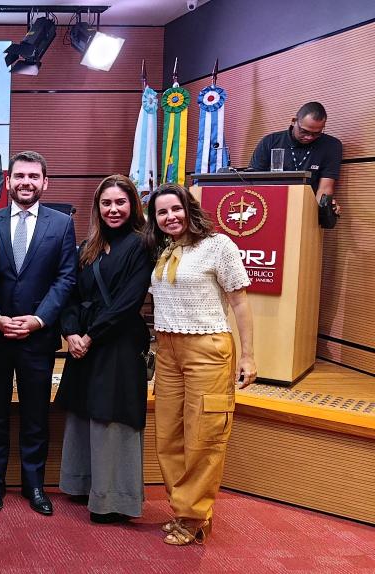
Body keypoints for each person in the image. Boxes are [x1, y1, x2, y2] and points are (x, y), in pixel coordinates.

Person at [146, 183, 257, 545]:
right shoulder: (164, 250)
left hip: (207, 350)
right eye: (162, 212)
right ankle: (184, 509)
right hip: (167, 351)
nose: (170, 217)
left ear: (189, 209)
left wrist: (248, 355)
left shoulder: (218, 245)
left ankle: (193, 517)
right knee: (169, 435)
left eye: (175, 209)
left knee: (203, 435)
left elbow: (239, 303)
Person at [0, 151, 77, 517]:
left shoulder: (61, 224)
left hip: (38, 337)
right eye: (19, 176)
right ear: (9, 181)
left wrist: (39, 319)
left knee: (35, 414)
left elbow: (66, 278)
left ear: (44, 182)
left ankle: (34, 485)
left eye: (34, 176)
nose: (26, 182)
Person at [55, 174, 152, 524]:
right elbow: (70, 295)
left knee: (113, 416)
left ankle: (114, 498)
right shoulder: (87, 247)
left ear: (133, 205)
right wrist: (70, 333)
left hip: (118, 342)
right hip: (83, 343)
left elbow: (128, 302)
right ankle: (82, 484)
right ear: (97, 207)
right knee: (84, 411)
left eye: (120, 202)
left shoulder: (143, 245)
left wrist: (90, 336)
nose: (113, 209)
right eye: (106, 203)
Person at [249, 101, 342, 214]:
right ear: (294, 121)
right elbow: (253, 182)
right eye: (304, 131)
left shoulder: (331, 146)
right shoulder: (270, 142)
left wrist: (324, 208)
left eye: (316, 133)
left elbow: (325, 188)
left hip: (307, 209)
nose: (309, 137)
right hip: (269, 207)